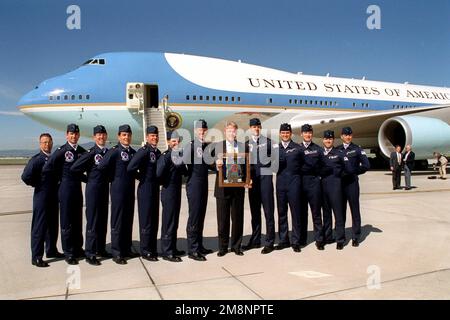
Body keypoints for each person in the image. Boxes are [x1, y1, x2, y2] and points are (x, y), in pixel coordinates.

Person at [43, 124, 87, 265]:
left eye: (76, 134)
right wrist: (60, 178)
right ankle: (68, 252)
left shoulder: (81, 151)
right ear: (67, 135)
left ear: (78, 135)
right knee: (67, 221)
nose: (73, 136)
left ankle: (78, 248)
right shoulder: (62, 151)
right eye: (71, 134)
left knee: (77, 220)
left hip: (77, 189)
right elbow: (48, 166)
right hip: (65, 188)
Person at [70, 125, 110, 266]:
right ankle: (90, 253)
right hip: (93, 190)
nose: (101, 137)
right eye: (98, 135)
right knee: (92, 221)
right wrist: (88, 179)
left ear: (106, 136)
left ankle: (101, 248)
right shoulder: (90, 153)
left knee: (102, 220)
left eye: (103, 135)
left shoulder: (108, 153)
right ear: (94, 137)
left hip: (105, 189)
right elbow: (74, 168)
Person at [21, 133, 62, 267]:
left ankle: (51, 250)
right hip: (42, 196)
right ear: (40, 144)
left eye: (49, 142)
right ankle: (36, 257)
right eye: (44, 142)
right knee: (39, 227)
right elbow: (25, 176)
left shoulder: (54, 158)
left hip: (54, 195)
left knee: (52, 225)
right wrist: (37, 184)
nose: (47, 144)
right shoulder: (37, 160)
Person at [97, 124, 136, 265]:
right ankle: (117, 252)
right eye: (124, 135)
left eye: (128, 135)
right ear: (119, 136)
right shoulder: (114, 151)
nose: (127, 137)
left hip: (130, 190)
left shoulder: (132, 152)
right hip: (118, 190)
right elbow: (101, 167)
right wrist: (112, 178)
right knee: (118, 221)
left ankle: (126, 248)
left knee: (128, 219)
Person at [213, 121, 249, 257]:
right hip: (222, 188)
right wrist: (216, 164)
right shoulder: (217, 146)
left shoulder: (243, 146)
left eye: (233, 131)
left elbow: (247, 166)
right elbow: (209, 163)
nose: (231, 133)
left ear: (236, 132)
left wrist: (247, 179)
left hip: (237, 188)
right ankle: (222, 247)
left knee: (237, 218)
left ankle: (236, 246)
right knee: (222, 220)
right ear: (225, 132)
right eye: (229, 131)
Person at [127, 125, 161, 262]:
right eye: (152, 136)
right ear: (147, 137)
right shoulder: (144, 151)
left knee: (154, 220)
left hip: (154, 189)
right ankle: (145, 250)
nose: (155, 138)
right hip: (145, 189)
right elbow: (130, 167)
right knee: (146, 221)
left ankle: (152, 248)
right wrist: (141, 177)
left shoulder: (157, 152)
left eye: (156, 136)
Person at [243, 118, 276, 254]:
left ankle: (269, 241)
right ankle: (255, 240)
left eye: (258, 126)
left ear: (260, 128)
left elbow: (276, 158)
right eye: (253, 127)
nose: (256, 129)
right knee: (255, 212)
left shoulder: (268, 142)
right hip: (253, 182)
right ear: (250, 128)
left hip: (266, 181)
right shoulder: (246, 145)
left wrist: (269, 170)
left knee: (268, 212)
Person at [183, 119, 214, 261]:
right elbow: (182, 164)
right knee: (194, 217)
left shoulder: (205, 147)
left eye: (204, 130)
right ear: (195, 131)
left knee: (201, 215)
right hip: (194, 184)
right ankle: (193, 250)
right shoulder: (191, 146)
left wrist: (220, 165)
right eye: (199, 130)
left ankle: (199, 245)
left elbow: (210, 165)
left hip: (203, 184)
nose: (202, 132)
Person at [157, 131, 187, 262]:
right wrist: (166, 182)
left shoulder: (178, 155)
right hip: (168, 191)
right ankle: (167, 251)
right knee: (168, 221)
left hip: (176, 191)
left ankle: (173, 248)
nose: (176, 143)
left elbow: (184, 171)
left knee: (174, 221)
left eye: (177, 141)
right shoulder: (166, 155)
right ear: (169, 142)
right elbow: (158, 174)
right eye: (173, 141)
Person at [338, 127, 370, 247]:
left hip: (352, 184)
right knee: (340, 212)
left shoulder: (357, 149)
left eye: (350, 135)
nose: (348, 137)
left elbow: (366, 165)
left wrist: (354, 171)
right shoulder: (337, 150)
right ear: (341, 136)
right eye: (345, 135)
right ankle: (340, 238)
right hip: (340, 185)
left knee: (355, 210)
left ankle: (355, 236)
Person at [275, 123, 304, 252]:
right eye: (283, 133)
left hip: (294, 184)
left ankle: (296, 241)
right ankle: (283, 240)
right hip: (280, 184)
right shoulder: (276, 148)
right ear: (280, 134)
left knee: (296, 213)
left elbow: (304, 165)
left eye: (287, 133)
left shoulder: (298, 148)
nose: (285, 135)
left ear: (291, 134)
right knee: (282, 213)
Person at [299, 124, 326, 250]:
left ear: (312, 134)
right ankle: (302, 239)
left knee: (316, 213)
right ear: (301, 134)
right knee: (302, 213)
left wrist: (318, 176)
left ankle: (319, 240)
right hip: (301, 183)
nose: (308, 135)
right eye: (305, 133)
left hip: (314, 183)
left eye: (309, 132)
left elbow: (324, 165)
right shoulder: (297, 149)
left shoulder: (318, 149)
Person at [320, 130, 345, 250]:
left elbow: (347, 169)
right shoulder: (320, 153)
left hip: (336, 187)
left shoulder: (339, 153)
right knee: (326, 214)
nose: (328, 141)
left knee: (338, 214)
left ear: (333, 140)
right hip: (323, 187)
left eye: (330, 139)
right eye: (326, 139)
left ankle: (340, 239)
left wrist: (339, 174)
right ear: (323, 140)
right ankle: (328, 237)